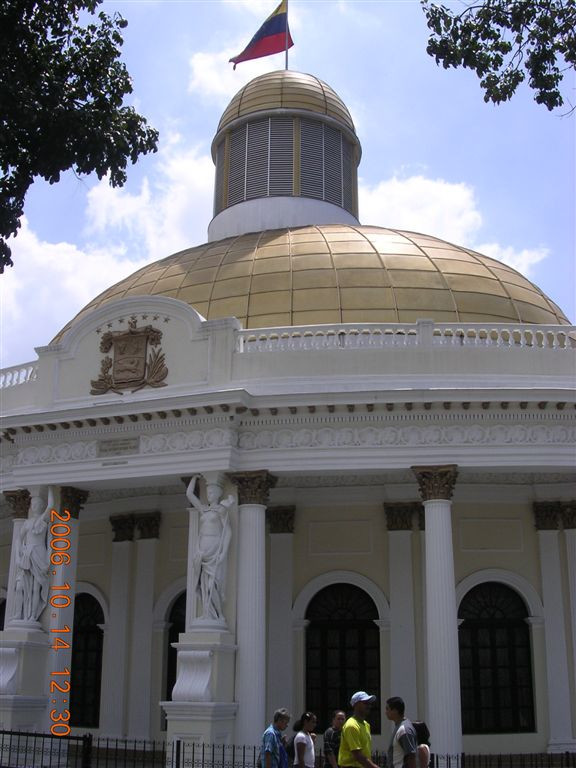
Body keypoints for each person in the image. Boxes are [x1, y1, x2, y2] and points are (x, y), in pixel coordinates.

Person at [186, 475, 234, 620]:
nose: (209, 495)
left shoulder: (221, 510)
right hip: (202, 551)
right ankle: (207, 613)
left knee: (212, 586)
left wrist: (224, 552)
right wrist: (194, 479)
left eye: (212, 492)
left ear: (218, 494)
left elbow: (228, 532)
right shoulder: (204, 510)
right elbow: (189, 494)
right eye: (207, 492)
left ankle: (218, 615)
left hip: (215, 549)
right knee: (202, 586)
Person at [13, 487, 53, 622]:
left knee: (36, 588)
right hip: (27, 554)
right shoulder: (27, 522)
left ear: (42, 507)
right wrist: (18, 556)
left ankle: (32, 617)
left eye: (38, 504)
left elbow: (52, 505)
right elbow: (19, 538)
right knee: (20, 587)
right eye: (33, 504)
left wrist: (52, 488)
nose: (35, 506)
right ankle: (19, 614)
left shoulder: (43, 520)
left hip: (39, 553)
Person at [338, 692, 380, 768]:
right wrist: (373, 766)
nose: (369, 705)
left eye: (369, 703)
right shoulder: (352, 725)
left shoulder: (366, 724)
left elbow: (365, 751)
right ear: (356, 705)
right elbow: (357, 754)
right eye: (365, 703)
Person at [385, 696, 417, 768]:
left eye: (387, 709)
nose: (385, 712)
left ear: (395, 710)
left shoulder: (404, 730)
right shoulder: (399, 727)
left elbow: (411, 757)